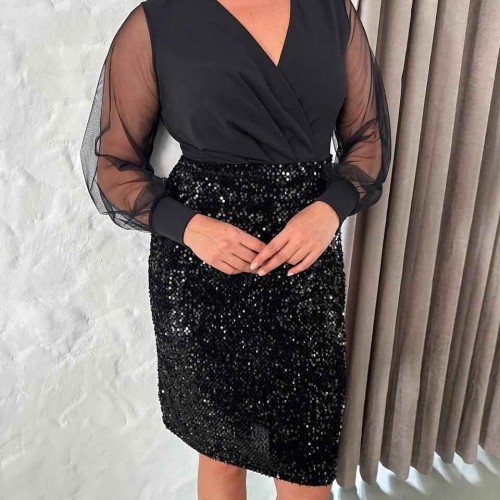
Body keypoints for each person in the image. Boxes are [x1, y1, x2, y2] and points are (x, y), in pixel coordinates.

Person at [80, 0, 391, 498]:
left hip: (305, 266)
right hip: (204, 273)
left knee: (306, 463)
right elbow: (112, 165)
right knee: (221, 455)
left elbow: (367, 138)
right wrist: (189, 228)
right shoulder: (158, 21)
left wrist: (329, 210)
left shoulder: (333, 13)